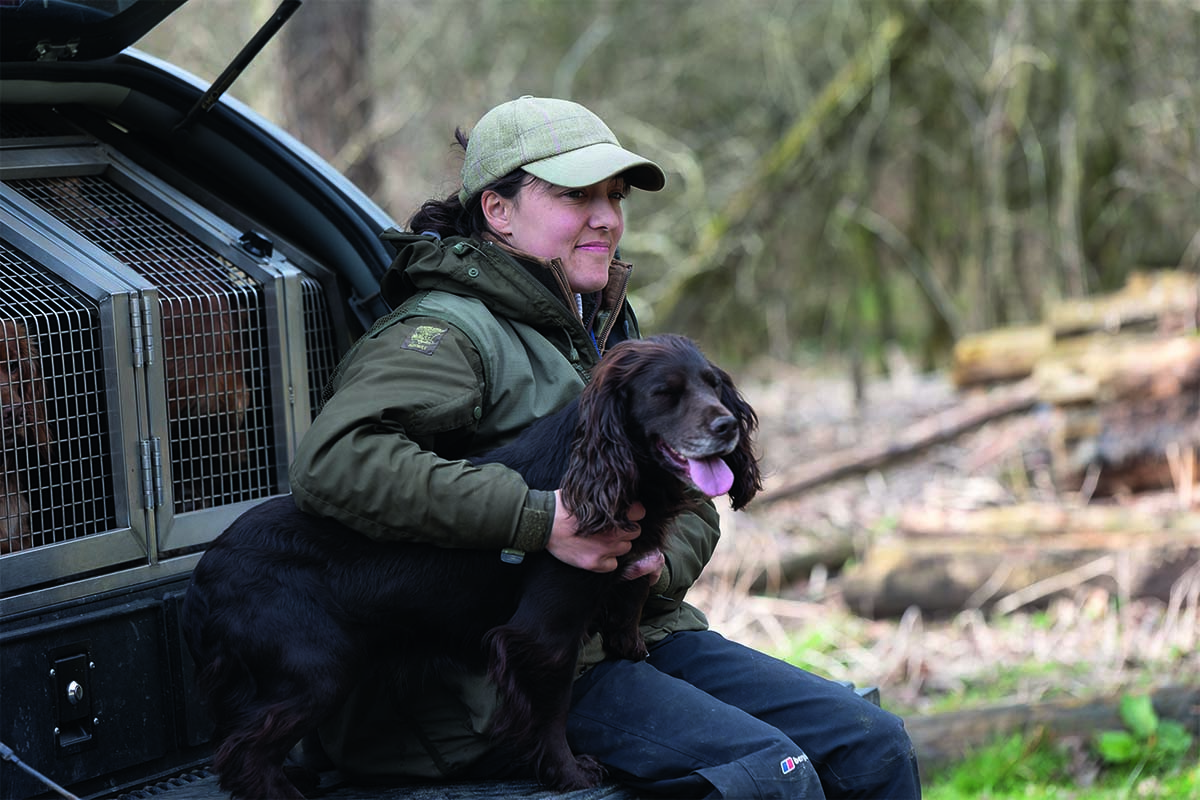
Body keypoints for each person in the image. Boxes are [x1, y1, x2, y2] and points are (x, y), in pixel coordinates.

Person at [288, 95, 921, 799]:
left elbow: (695, 491)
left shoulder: (608, 330)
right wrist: (540, 520)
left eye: (614, 197)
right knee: (771, 776)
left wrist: (655, 561)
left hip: (634, 635)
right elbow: (337, 462)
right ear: (497, 210)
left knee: (872, 744)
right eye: (575, 196)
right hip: (499, 680)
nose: (606, 218)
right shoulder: (445, 334)